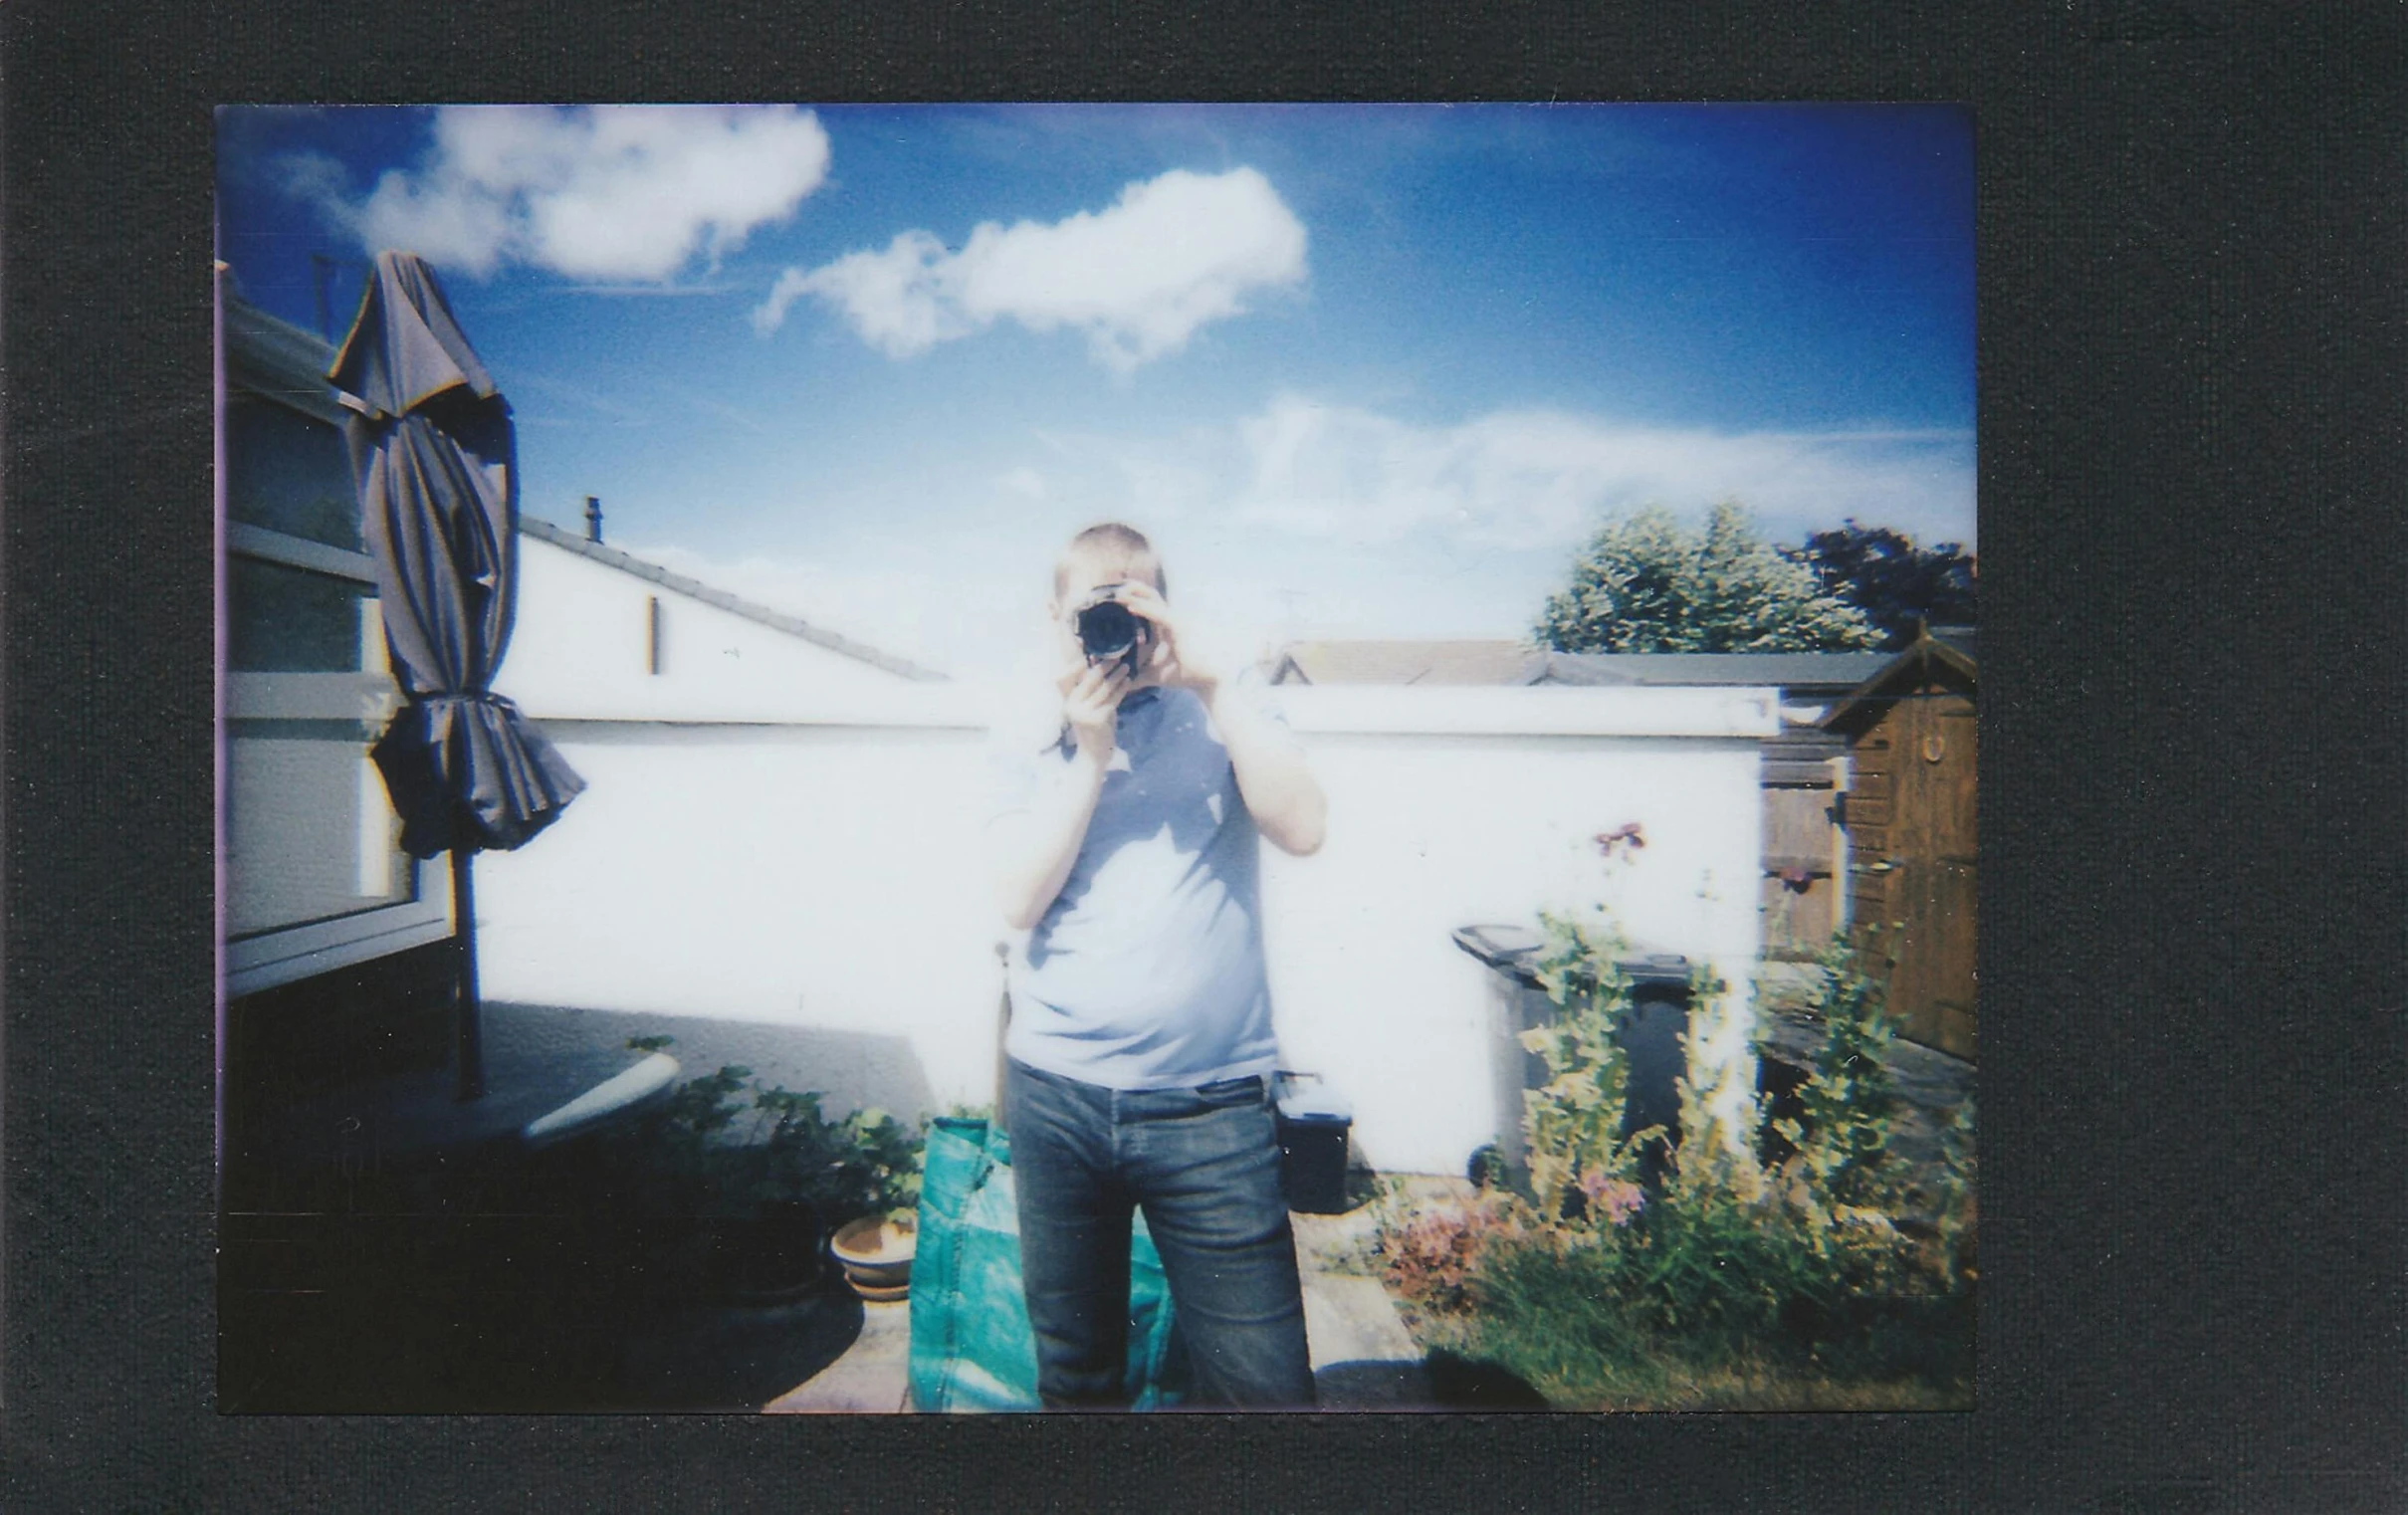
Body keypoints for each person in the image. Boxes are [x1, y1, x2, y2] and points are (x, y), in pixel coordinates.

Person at [985, 522, 1327, 1409]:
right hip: (1057, 1099)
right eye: (1088, 612)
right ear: (1054, 616)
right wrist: (1086, 753)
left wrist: (1216, 685)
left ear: (1159, 611)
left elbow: (1303, 829)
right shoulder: (1026, 721)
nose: (1109, 637)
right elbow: (1018, 898)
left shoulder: (1224, 704)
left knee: (1267, 1393)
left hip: (1210, 1108)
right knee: (1078, 1376)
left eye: (1128, 609)